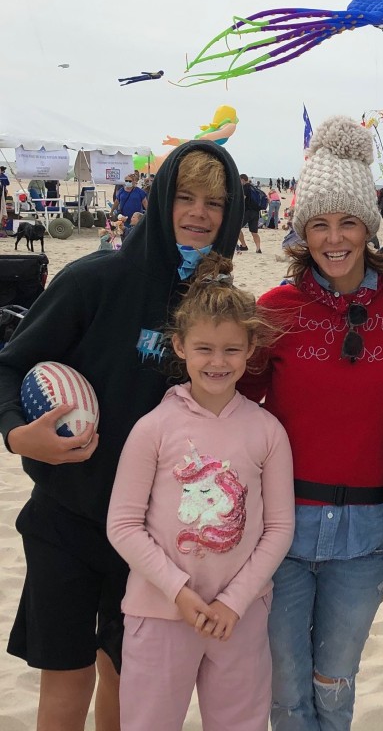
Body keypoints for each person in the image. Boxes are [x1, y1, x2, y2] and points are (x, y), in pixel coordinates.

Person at [0, 140, 243, 731]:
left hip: (154, 537)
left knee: (127, 676)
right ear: (160, 199)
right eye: (184, 196)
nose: (198, 213)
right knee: (67, 674)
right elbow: (9, 363)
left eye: (215, 201)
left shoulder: (219, 303)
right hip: (69, 518)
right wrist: (16, 435)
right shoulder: (95, 278)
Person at [238, 116, 383, 731]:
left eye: (349, 222)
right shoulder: (275, 309)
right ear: (303, 231)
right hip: (279, 526)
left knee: (334, 684)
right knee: (285, 687)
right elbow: (228, 396)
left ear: (369, 225)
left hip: (365, 532)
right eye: (320, 224)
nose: (335, 238)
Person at [107, 252, 295, 730]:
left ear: (251, 348)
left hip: (241, 616)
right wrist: (178, 592)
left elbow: (278, 528)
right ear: (180, 346)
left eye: (231, 350)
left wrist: (234, 601)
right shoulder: (152, 429)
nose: (217, 361)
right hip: (161, 612)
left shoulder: (267, 431)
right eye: (204, 348)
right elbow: (123, 526)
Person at [240, 173, 263, 253]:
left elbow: (243, 198)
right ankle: (258, 248)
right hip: (256, 212)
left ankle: (244, 245)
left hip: (247, 212)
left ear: (242, 180)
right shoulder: (253, 187)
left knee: (237, 228)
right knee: (254, 232)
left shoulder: (245, 187)